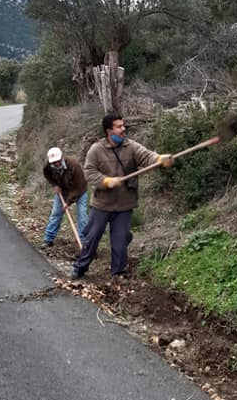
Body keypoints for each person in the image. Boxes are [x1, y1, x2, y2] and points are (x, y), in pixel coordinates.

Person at [70, 114, 172, 279]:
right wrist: (106, 181)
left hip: (124, 205)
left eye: (123, 125)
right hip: (102, 205)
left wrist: (159, 159)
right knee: (92, 237)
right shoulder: (96, 150)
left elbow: (147, 156)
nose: (123, 129)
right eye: (119, 126)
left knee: (120, 241)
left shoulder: (131, 146)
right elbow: (89, 172)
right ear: (109, 131)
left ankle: (118, 273)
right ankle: (80, 267)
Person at [41, 146, 89, 249]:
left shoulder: (74, 165)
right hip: (62, 191)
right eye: (54, 162)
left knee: (82, 217)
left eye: (58, 161)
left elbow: (78, 187)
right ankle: (48, 239)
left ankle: (85, 245)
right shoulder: (48, 165)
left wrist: (68, 202)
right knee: (55, 214)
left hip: (80, 191)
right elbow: (47, 174)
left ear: (62, 157)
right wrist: (54, 185)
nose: (56, 164)